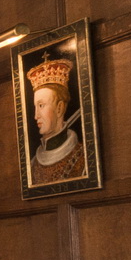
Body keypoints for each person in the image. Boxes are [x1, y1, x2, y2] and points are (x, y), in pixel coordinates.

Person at [26, 57, 86, 186]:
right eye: (35, 107)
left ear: (60, 108)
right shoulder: (31, 165)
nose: (36, 116)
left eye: (41, 105)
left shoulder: (83, 158)